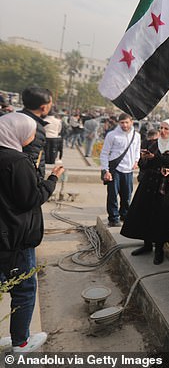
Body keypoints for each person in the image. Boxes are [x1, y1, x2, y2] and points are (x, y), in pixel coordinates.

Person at [0, 112, 64, 352]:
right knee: (25, 290)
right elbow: (32, 198)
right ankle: (21, 343)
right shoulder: (16, 161)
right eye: (28, 134)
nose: (30, 139)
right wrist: (53, 179)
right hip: (16, 238)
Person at [121, 120, 169, 264]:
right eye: (161, 128)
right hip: (149, 185)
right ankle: (146, 245)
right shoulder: (152, 144)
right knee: (146, 213)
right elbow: (143, 165)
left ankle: (159, 249)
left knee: (162, 217)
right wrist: (144, 159)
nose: (162, 131)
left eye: (166, 129)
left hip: (166, 188)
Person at [100, 113, 141, 227]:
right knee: (113, 195)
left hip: (128, 170)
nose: (124, 125)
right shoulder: (112, 135)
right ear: (119, 123)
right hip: (115, 169)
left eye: (127, 122)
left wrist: (136, 161)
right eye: (122, 122)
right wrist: (105, 170)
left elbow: (137, 149)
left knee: (127, 195)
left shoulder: (136, 135)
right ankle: (113, 218)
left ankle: (124, 215)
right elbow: (104, 153)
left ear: (131, 122)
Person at [19, 87, 53, 179]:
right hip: (22, 179)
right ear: (43, 107)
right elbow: (32, 159)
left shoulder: (13, 118)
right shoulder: (35, 127)